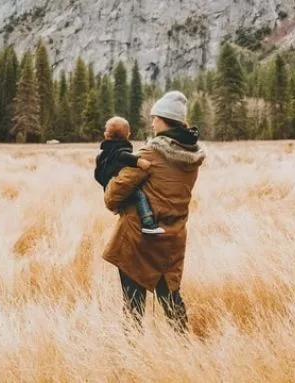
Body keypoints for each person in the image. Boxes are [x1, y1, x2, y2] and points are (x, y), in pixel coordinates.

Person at [101, 91, 206, 333]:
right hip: (172, 239)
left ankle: (133, 359)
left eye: (155, 118)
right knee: (171, 301)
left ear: (165, 120)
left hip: (140, 240)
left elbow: (113, 194)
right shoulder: (191, 156)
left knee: (133, 308)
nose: (152, 123)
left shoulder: (151, 153)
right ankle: (184, 352)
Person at [94, 116, 165, 235]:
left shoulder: (103, 153)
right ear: (128, 135)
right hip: (117, 183)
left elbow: (97, 175)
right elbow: (122, 155)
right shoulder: (120, 150)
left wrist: (106, 183)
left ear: (106, 135)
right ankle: (148, 222)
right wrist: (139, 162)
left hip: (108, 187)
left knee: (126, 200)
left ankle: (118, 207)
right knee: (139, 196)